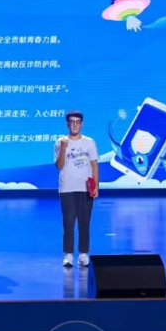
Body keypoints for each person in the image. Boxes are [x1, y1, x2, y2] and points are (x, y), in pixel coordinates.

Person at [54, 110, 98, 267]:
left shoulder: (89, 142)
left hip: (86, 188)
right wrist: (64, 148)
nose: (74, 125)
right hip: (67, 188)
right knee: (68, 222)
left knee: (84, 222)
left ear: (82, 124)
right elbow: (59, 166)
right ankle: (68, 255)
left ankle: (83, 254)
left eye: (77, 122)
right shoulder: (60, 142)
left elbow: (94, 165)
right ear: (67, 124)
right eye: (72, 122)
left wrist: (96, 186)